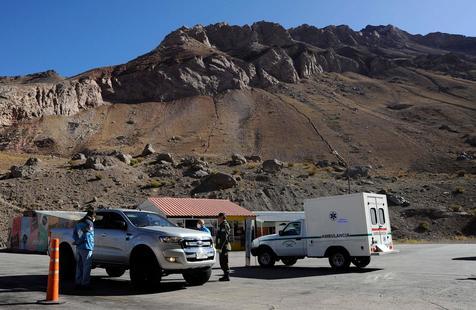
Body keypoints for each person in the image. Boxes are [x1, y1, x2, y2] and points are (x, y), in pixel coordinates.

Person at [72, 209, 95, 289]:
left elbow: (74, 234)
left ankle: (78, 282)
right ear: (92, 215)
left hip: (79, 248)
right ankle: (85, 283)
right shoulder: (89, 223)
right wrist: (79, 241)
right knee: (86, 266)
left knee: (79, 266)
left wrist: (77, 241)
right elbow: (86, 235)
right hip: (86, 247)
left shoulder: (78, 223)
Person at [216, 212, 231, 281]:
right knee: (222, 261)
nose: (218, 218)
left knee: (224, 261)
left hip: (223, 247)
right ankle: (225, 275)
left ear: (222, 217)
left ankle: (226, 276)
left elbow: (224, 238)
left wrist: (220, 247)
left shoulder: (224, 225)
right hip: (221, 246)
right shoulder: (221, 225)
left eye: (218, 217)